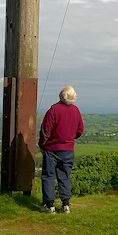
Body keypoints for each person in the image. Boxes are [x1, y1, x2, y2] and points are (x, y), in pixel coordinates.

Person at [38, 85, 84, 214]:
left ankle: (49, 205)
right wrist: (70, 138)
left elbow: (45, 131)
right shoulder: (75, 110)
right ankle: (65, 205)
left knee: (48, 176)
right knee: (65, 176)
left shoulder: (54, 110)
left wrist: (42, 145)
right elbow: (80, 130)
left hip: (52, 149)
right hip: (68, 149)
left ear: (60, 95)